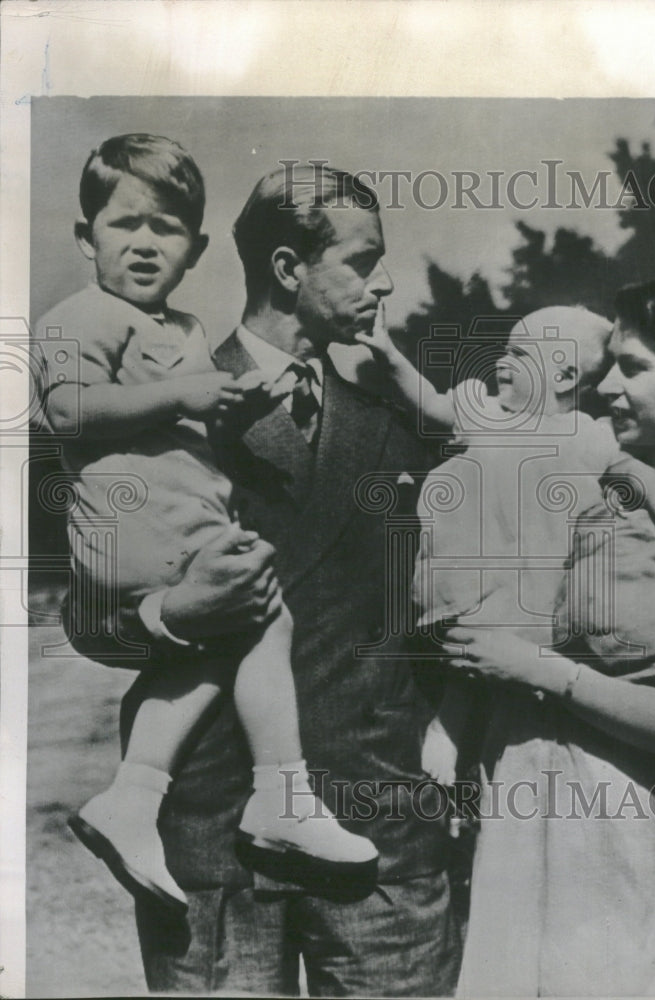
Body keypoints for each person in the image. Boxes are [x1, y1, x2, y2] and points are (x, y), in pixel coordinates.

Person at [65, 163, 460, 996]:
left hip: (376, 836)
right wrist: (172, 614)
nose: (382, 281)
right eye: (361, 260)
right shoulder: (162, 400)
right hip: (213, 843)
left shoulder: (398, 424)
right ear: (288, 269)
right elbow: (87, 613)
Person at [38, 134, 378, 915]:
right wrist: (183, 396)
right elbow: (67, 409)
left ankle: (133, 794)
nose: (145, 244)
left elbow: (196, 427)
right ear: (87, 237)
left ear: (194, 250)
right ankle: (279, 796)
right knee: (260, 619)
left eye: (166, 229)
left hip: (180, 523)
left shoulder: (183, 331)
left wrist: (233, 402)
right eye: (126, 225)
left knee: (240, 634)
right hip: (135, 530)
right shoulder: (81, 315)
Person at [440, 275, 655, 996]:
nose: (606, 387)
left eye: (635, 367)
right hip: (519, 820)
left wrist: (540, 669)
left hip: (617, 841)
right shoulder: (590, 487)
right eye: (608, 364)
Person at [359, 305, 655, 784]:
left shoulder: (587, 436)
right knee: (464, 650)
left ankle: (469, 757)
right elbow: (432, 403)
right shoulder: (488, 414)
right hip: (473, 566)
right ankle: (447, 730)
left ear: (564, 375)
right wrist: (387, 354)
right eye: (505, 349)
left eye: (520, 353)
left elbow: (632, 472)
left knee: (510, 669)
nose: (502, 361)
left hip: (537, 579)